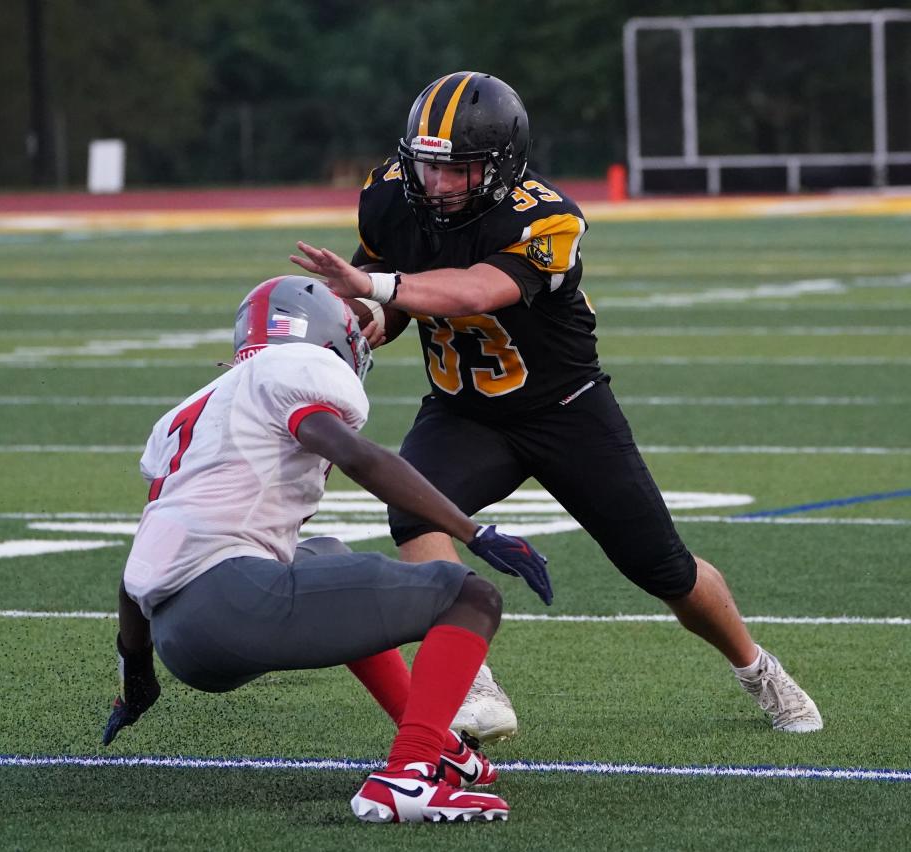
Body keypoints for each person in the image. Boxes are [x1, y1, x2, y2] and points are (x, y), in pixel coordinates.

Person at [290, 70, 823, 739]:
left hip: (565, 409)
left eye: (460, 170)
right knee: (411, 510)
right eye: (427, 166)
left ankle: (756, 666)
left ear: (503, 165)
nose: (439, 184)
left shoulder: (548, 219)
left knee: (664, 568)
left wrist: (375, 285)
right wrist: (374, 316)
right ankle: (472, 685)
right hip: (465, 411)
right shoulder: (392, 196)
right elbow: (390, 292)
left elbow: (471, 293)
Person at [100, 274, 555, 825]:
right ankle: (408, 775)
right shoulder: (294, 369)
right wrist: (472, 531)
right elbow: (358, 456)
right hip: (238, 605)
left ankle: (441, 749)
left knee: (328, 557)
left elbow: (141, 559)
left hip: (179, 636)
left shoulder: (194, 410)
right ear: (330, 340)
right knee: (470, 595)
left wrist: (137, 676)